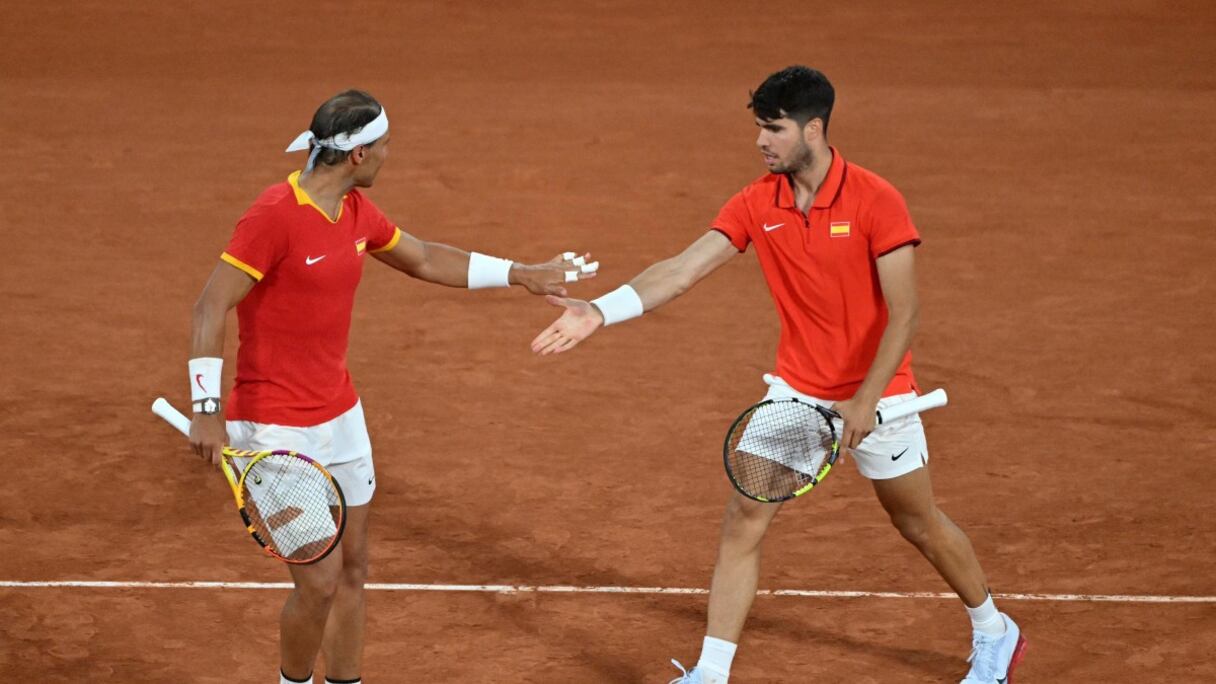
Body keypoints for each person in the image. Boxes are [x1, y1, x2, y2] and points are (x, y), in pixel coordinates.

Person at [530, 66, 1026, 684]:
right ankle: (711, 673)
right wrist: (601, 310)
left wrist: (867, 399)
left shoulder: (876, 200)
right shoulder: (756, 202)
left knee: (917, 522)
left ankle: (993, 630)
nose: (762, 141)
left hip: (880, 395)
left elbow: (906, 314)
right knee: (745, 515)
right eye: (759, 128)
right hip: (796, 394)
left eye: (774, 128)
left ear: (813, 129)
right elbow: (682, 268)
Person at [187, 89, 598, 684]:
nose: (388, 156)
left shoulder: (354, 212)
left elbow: (426, 258)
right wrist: (206, 408)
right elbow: (208, 307)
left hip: (341, 417)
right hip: (277, 428)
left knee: (353, 569)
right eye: (383, 147)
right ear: (357, 155)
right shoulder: (274, 214)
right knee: (320, 581)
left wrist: (521, 274)